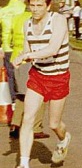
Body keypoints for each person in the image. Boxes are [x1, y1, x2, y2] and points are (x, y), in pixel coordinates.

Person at [12, 0, 71, 168]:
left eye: (39, 5)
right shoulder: (27, 24)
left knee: (54, 124)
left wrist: (27, 55)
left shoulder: (58, 20)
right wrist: (21, 59)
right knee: (27, 119)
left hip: (58, 77)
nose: (35, 9)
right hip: (38, 76)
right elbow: (28, 49)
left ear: (48, 5)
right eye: (32, 5)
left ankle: (63, 140)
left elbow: (53, 49)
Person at [9, 9, 50, 139]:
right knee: (41, 94)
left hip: (17, 58)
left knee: (21, 94)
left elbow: (9, 37)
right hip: (31, 60)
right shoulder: (36, 21)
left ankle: (15, 124)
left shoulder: (16, 18)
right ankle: (36, 127)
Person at [0, 0, 26, 106]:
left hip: (7, 47)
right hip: (21, 46)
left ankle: (13, 99)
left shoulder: (3, 11)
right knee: (23, 74)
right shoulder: (23, 9)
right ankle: (23, 98)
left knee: (10, 74)